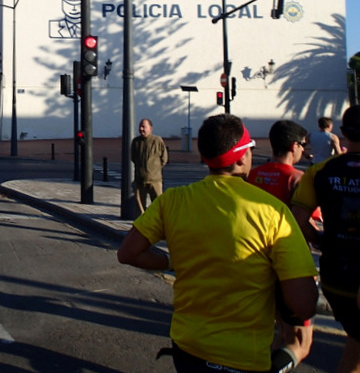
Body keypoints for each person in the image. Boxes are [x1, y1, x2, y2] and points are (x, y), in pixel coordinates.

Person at [117, 113, 318, 373]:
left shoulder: (173, 200)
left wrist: (169, 260)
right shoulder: (273, 211)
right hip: (243, 357)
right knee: (300, 345)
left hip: (187, 347)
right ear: (243, 157)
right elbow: (303, 304)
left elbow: (128, 253)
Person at [291, 105, 360, 373]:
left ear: (343, 133)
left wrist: (318, 239)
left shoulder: (319, 172)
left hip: (337, 275)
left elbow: (298, 217)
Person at [246, 120, 314, 365]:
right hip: (290, 264)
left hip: (260, 260)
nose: (304, 151)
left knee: (279, 333)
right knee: (299, 340)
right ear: (294, 146)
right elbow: (305, 222)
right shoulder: (298, 178)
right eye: (303, 145)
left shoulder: (253, 175)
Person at [130, 118, 168, 213]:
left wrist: (154, 169)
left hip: (155, 180)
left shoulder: (157, 140)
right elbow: (133, 157)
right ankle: (141, 226)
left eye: (144, 127)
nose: (141, 129)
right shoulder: (136, 142)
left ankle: (158, 225)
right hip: (140, 180)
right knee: (139, 208)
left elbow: (164, 158)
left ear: (150, 128)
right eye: (140, 127)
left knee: (158, 206)